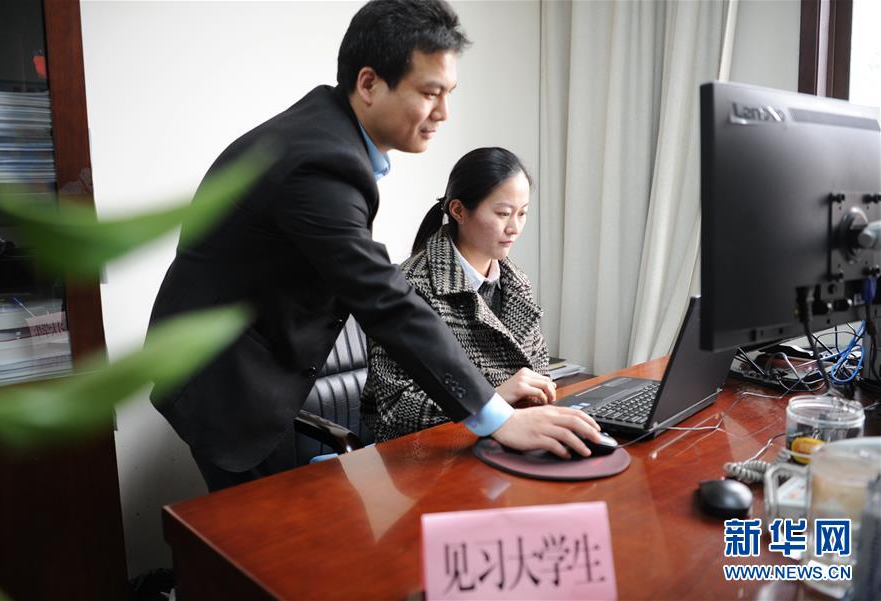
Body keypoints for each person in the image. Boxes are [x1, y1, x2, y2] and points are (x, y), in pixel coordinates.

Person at [148, 0, 603, 492]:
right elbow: (385, 301)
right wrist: (499, 418)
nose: (443, 114)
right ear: (368, 84)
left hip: (254, 369)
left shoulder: (327, 140)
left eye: (448, 94)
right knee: (256, 534)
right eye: (429, 93)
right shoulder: (320, 163)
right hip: (224, 382)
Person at [362, 147, 592, 442]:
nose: (515, 228)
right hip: (429, 450)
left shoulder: (516, 281)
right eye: (503, 214)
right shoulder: (410, 286)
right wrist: (491, 400)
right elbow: (395, 407)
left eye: (522, 213)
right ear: (458, 211)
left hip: (504, 437)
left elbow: (538, 372)